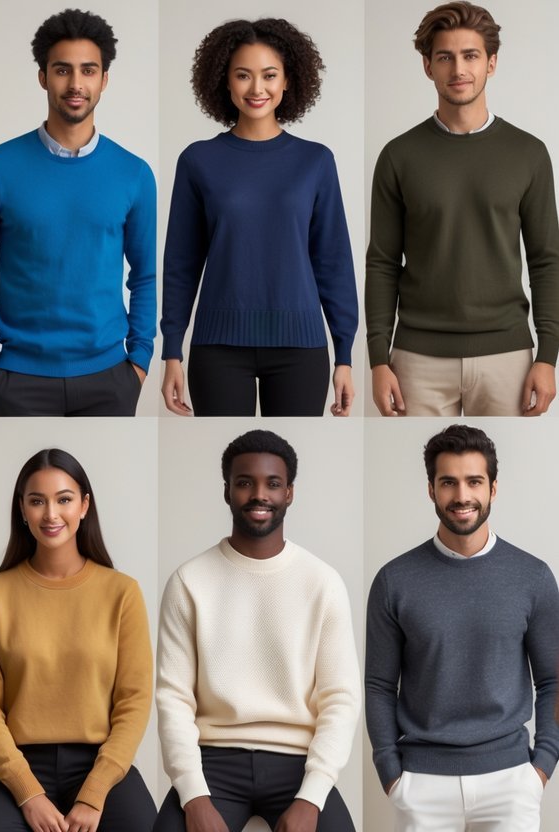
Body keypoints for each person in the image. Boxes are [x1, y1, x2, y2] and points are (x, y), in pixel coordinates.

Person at [0, 9, 156, 417]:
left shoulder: (133, 174)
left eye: (88, 70)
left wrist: (139, 360)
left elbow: (146, 275)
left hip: (111, 378)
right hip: (19, 379)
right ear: (43, 77)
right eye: (63, 70)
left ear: (104, 79)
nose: (76, 84)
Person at [154, 430, 360, 832]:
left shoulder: (322, 582)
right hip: (213, 760)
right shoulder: (189, 581)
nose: (259, 495)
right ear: (227, 491)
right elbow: (173, 698)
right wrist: (194, 796)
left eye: (273, 484)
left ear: (290, 493)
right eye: (245, 483)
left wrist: (311, 796)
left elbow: (341, 699)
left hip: (297, 763)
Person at [366, 1, 559, 417]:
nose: (458, 69)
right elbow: (382, 262)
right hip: (417, 359)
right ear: (427, 66)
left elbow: (546, 260)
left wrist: (548, 356)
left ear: (491, 62)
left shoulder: (528, 153)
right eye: (445, 57)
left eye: (470, 55)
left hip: (508, 356)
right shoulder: (399, 156)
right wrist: (378, 359)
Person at [159, 19, 358, 418]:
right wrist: (172, 352)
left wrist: (345, 356)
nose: (256, 89)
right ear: (225, 81)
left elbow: (333, 261)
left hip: (300, 348)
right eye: (243, 75)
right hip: (217, 349)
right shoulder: (198, 160)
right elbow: (181, 263)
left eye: (269, 75)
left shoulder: (316, 161)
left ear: (287, 81)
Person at [366, 424, 559, 830]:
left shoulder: (533, 577)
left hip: (511, 781)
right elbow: (379, 685)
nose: (461, 496)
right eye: (448, 482)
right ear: (431, 489)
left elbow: (553, 679)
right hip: (421, 783)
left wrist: (542, 765)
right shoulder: (394, 580)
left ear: (493, 488)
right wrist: (390, 772)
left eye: (474, 481)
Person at [0, 448, 157, 831]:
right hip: (17, 763)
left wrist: (94, 792)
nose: (51, 514)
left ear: (84, 505)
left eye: (64, 499)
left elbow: (134, 700)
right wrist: (28, 793)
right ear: (22, 509)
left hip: (100, 762)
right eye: (37, 501)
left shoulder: (122, 592)